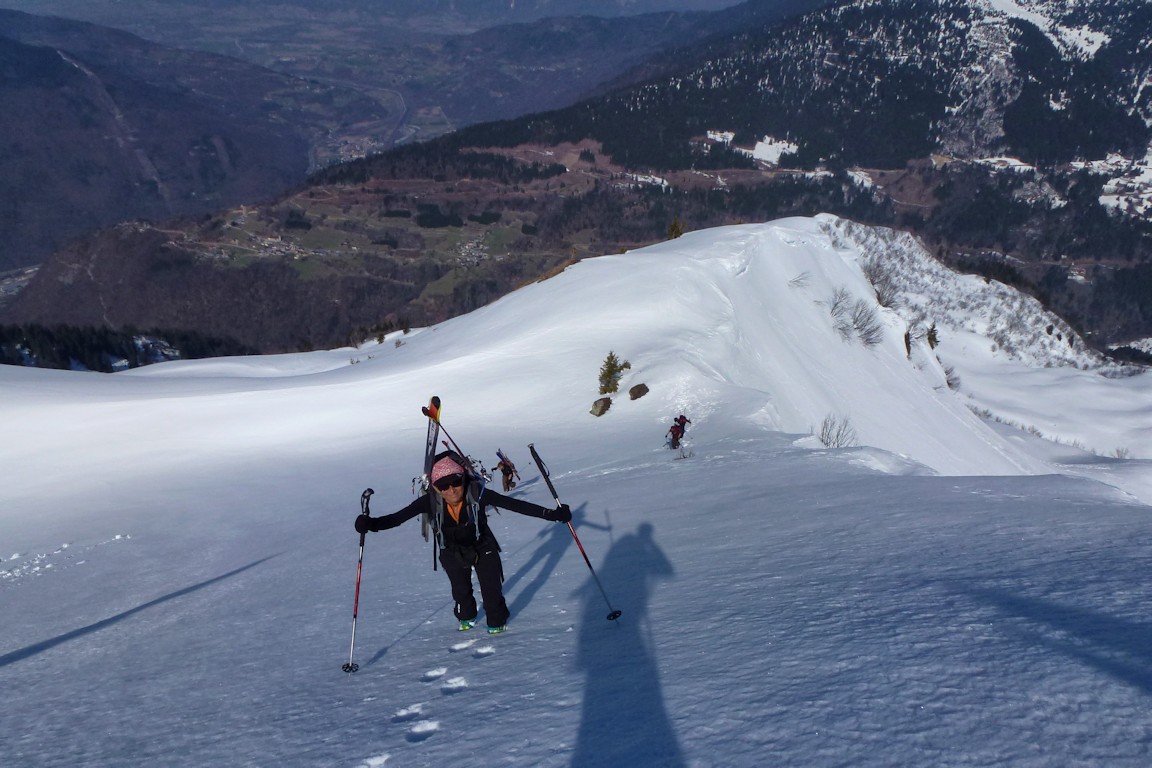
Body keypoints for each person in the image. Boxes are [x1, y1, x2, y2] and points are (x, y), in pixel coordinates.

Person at [355, 451, 571, 634]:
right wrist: (370, 524)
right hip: (450, 549)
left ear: (463, 479)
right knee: (461, 591)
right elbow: (396, 519)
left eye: (456, 482)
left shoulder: (477, 493)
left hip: (483, 545)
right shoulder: (429, 502)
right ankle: (466, 616)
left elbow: (515, 505)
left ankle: (496, 621)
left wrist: (551, 514)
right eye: (443, 485)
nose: (451, 489)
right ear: (436, 487)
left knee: (492, 590)